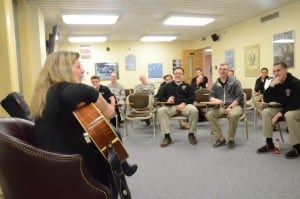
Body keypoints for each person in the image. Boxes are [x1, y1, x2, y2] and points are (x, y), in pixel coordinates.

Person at [30, 51, 136, 199]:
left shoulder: (47, 93)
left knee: (108, 139)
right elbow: (86, 93)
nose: (83, 71)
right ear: (65, 69)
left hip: (53, 161)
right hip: (70, 164)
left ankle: (121, 169)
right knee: (110, 155)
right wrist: (107, 108)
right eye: (78, 67)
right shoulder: (63, 89)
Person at [256, 61, 300, 159]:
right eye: (274, 71)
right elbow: (266, 99)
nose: (276, 73)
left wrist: (279, 114)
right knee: (266, 112)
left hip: (296, 108)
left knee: (289, 115)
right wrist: (271, 86)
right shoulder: (275, 82)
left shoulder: (295, 82)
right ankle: (269, 143)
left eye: (278, 70)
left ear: (286, 70)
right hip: (284, 108)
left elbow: (295, 103)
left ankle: (297, 147)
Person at [157, 67, 199, 147]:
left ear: (183, 75)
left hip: (185, 106)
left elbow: (193, 97)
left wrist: (184, 103)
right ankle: (167, 136)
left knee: (194, 110)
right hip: (172, 107)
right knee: (161, 110)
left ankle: (191, 134)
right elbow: (159, 97)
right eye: (176, 73)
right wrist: (167, 100)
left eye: (179, 73)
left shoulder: (188, 86)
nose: (177, 75)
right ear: (174, 75)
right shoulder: (166, 86)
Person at [205, 63, 244, 149]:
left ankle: (230, 139)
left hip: (235, 106)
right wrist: (215, 100)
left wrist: (230, 107)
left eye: (224, 69)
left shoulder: (235, 82)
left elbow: (239, 96)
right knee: (209, 114)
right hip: (221, 107)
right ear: (218, 71)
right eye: (221, 69)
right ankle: (220, 138)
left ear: (228, 71)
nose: (222, 71)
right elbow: (210, 96)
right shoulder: (216, 84)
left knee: (233, 115)